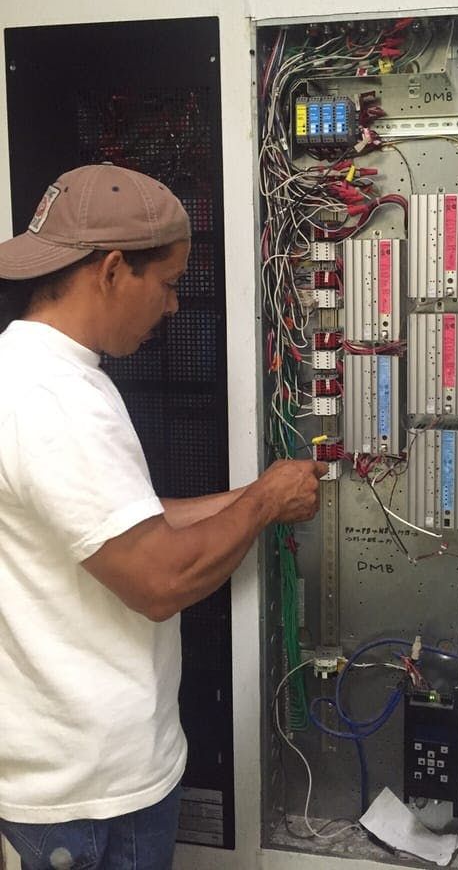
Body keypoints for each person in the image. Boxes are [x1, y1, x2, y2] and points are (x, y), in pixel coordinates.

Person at [0, 163, 326, 870]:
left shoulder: (27, 373)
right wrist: (265, 504)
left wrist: (258, 493)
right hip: (89, 801)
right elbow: (158, 581)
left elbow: (129, 524)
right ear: (113, 270)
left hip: (83, 778)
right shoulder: (56, 400)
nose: (176, 306)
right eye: (170, 283)